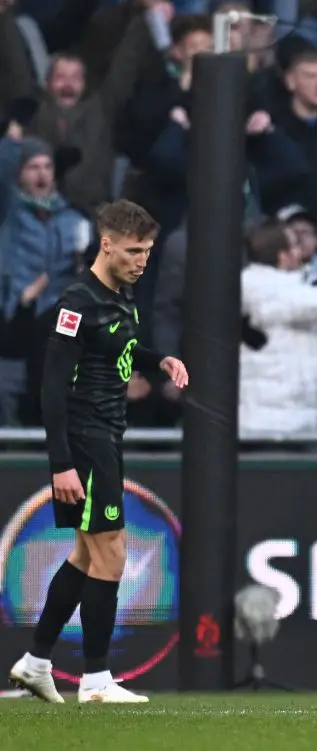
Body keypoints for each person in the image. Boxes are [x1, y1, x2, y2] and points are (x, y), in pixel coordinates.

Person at [8, 200, 188, 704]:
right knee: (111, 554)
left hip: (107, 436)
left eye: (148, 251)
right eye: (134, 250)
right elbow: (50, 386)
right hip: (85, 442)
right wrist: (60, 463)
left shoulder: (121, 294)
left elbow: (117, 350)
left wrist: (159, 359)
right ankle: (95, 680)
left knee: (87, 556)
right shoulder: (76, 302)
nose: (142, 260)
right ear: (106, 243)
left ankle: (36, 661)